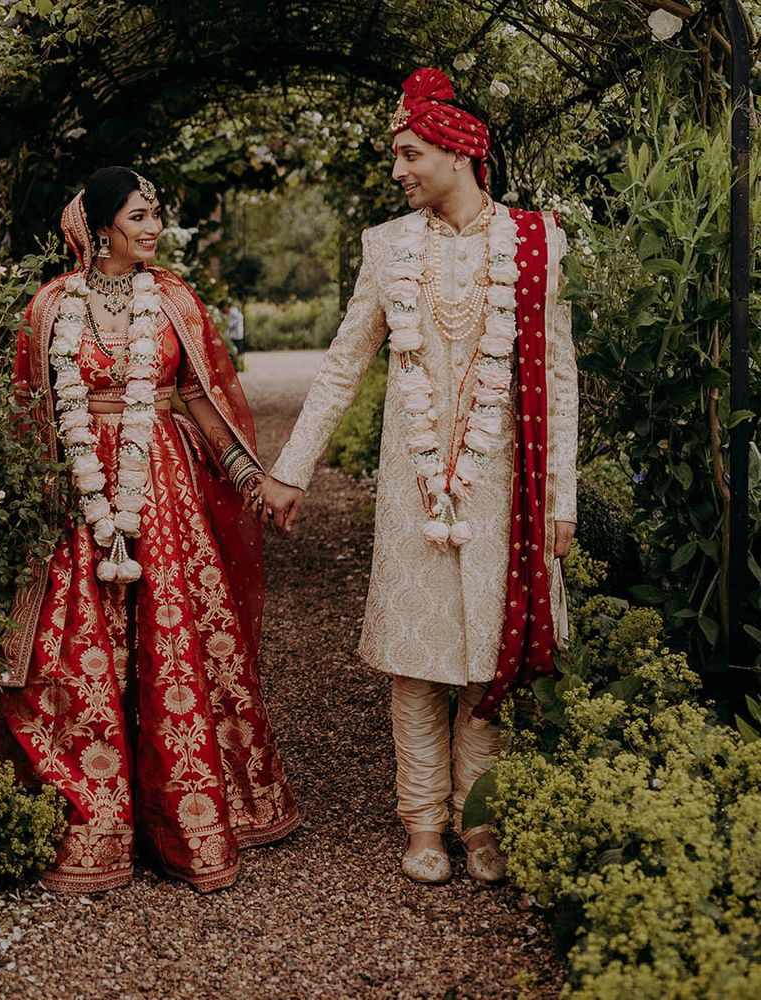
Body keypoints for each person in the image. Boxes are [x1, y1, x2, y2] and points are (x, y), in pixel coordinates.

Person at [253, 68, 577, 884]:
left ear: (460, 152)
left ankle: (481, 822)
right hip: (416, 484)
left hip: (507, 484)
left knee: (486, 662)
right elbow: (342, 366)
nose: (397, 170)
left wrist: (560, 497)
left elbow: (560, 375)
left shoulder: (540, 241)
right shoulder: (387, 246)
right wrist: (292, 470)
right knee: (415, 659)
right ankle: (423, 823)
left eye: (409, 154)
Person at [0, 167, 298, 893]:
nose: (153, 228)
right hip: (77, 496)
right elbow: (28, 412)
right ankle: (93, 821)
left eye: (156, 214)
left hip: (161, 489)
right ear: (99, 229)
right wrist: (43, 502)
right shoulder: (48, 308)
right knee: (78, 652)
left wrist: (252, 480)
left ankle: (185, 822)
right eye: (138, 216)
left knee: (172, 646)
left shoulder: (176, 301)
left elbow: (200, 398)